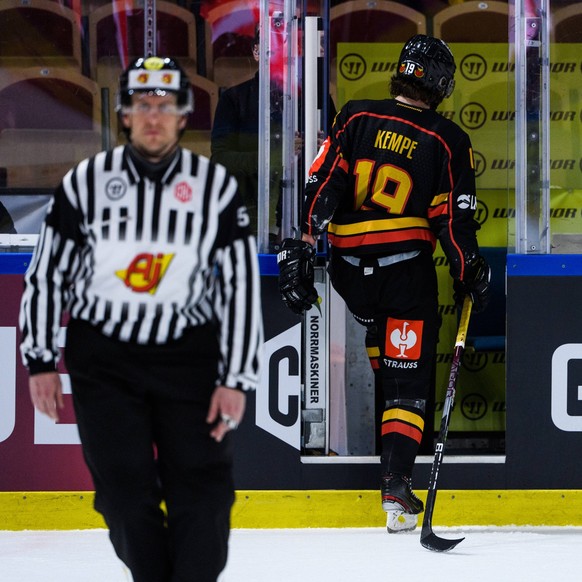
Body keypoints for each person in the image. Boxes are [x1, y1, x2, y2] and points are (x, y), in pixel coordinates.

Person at [19, 56, 263, 581]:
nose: (154, 117)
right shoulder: (85, 184)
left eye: (166, 106)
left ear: (183, 115)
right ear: (125, 114)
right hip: (104, 360)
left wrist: (236, 377)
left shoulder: (214, 188)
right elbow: (48, 274)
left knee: (205, 496)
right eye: (143, 106)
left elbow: (240, 286)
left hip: (190, 358)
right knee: (124, 494)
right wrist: (39, 358)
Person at [277, 35, 490, 534]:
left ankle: (392, 466)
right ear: (439, 83)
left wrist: (305, 243)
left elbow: (320, 185)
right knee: (406, 380)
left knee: (382, 350)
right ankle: (395, 485)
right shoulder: (447, 139)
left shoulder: (354, 115)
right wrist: (470, 272)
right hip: (405, 278)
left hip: (352, 276)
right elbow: (453, 225)